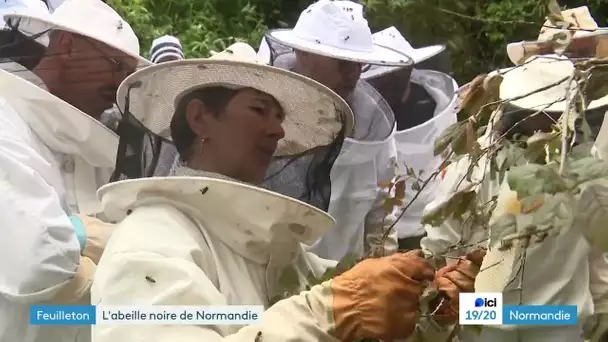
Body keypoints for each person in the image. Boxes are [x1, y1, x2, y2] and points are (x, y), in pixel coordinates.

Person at [91, 42, 485, 341]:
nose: (277, 131)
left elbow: (355, 299)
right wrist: (329, 312)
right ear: (199, 118)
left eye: (279, 117)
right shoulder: (149, 245)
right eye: (259, 110)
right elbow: (329, 309)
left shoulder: (277, 250)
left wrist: (431, 302)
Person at [421, 54, 608, 342]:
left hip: (558, 320)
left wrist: (602, 308)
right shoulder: (476, 165)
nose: (550, 122)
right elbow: (442, 246)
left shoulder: (586, 169)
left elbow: (597, 250)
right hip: (496, 318)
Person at [0, 0, 150, 342]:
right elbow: (40, 260)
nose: (119, 85)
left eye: (128, 75)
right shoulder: (4, 117)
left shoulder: (88, 147)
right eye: (115, 66)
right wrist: (115, 243)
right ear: (67, 46)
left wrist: (82, 237)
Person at [258, 0, 413, 261]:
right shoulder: (257, 112)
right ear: (303, 54)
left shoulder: (373, 129)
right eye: (344, 63)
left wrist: (381, 268)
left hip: (343, 285)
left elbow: (381, 211)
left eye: (359, 64)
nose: (353, 75)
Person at [361, 26, 459, 251]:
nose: (389, 80)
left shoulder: (434, 102)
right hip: (385, 226)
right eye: (384, 74)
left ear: (408, 70)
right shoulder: (367, 111)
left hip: (438, 218)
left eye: (396, 72)